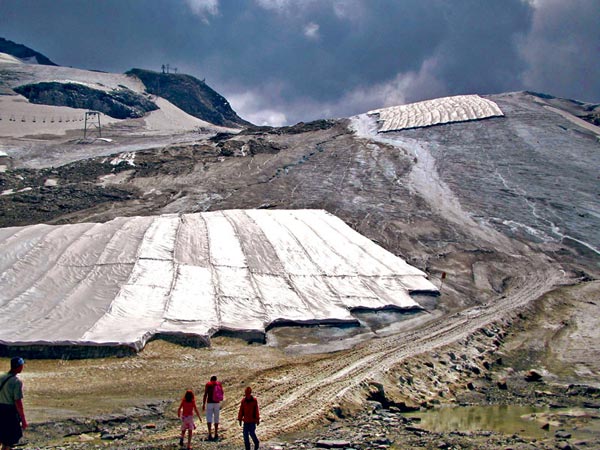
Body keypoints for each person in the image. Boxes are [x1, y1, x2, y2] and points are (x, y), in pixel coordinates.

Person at [0, 357, 28, 450]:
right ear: (19, 367)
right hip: (9, 412)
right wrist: (23, 420)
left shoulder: (1, 376)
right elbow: (18, 402)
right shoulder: (17, 382)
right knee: (8, 439)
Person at [202, 375, 223, 441]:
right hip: (217, 403)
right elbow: (222, 392)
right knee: (216, 418)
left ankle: (210, 433)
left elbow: (205, 394)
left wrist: (203, 404)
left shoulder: (208, 384)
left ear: (210, 379)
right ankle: (216, 433)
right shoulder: (219, 384)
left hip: (210, 403)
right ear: (216, 379)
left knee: (209, 418)